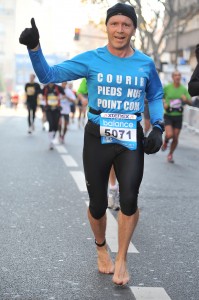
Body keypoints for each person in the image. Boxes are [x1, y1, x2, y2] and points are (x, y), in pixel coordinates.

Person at [19, 3, 164, 285]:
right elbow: (49, 76)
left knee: (130, 199)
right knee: (98, 204)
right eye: (115, 24)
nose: (120, 30)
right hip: (97, 136)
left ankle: (121, 258)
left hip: (130, 137)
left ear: (133, 29)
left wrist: (156, 126)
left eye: (126, 25)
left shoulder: (145, 63)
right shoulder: (92, 59)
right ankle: (101, 249)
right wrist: (35, 49)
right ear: (107, 27)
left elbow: (155, 94)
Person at [77, 78, 120, 210]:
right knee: (102, 160)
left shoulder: (122, 72)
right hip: (97, 121)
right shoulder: (94, 70)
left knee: (114, 157)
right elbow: (80, 91)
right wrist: (83, 99)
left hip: (120, 122)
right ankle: (104, 193)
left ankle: (114, 190)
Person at [161, 70, 192, 163]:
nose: (177, 77)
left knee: (175, 138)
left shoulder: (183, 89)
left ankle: (170, 154)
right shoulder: (167, 88)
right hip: (168, 115)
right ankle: (166, 142)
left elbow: (190, 102)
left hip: (178, 116)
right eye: (175, 75)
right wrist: (164, 103)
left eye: (179, 75)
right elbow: (159, 97)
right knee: (169, 134)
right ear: (172, 77)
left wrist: (185, 99)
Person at [42, 83, 65, 149]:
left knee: (55, 126)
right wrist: (43, 99)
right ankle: (51, 142)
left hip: (57, 109)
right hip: (48, 109)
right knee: (51, 124)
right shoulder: (45, 88)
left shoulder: (58, 87)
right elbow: (42, 95)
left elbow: (64, 95)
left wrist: (60, 97)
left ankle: (53, 135)